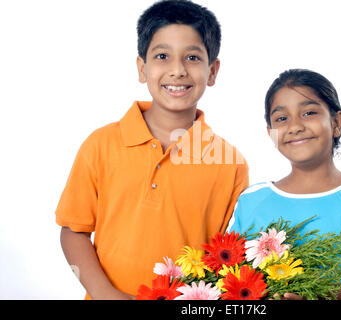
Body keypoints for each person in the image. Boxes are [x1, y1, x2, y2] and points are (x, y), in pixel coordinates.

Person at [56, 0, 248, 300]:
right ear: (142, 68)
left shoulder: (231, 164)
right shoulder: (101, 144)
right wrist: (104, 293)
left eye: (193, 58)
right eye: (162, 56)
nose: (177, 70)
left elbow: (228, 258)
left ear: (212, 71)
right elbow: (74, 231)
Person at [227, 69, 341, 300]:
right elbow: (228, 278)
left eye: (309, 113)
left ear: (337, 122)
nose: (295, 126)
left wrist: (314, 295)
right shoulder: (251, 200)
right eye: (282, 119)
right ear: (271, 133)